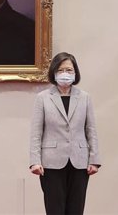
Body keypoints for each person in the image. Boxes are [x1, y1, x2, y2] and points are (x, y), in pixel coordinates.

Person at [29, 52, 101, 215]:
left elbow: (91, 130)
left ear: (75, 72)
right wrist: (34, 161)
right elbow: (36, 132)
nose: (65, 74)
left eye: (69, 70)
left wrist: (94, 159)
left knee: (76, 210)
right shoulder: (43, 98)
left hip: (80, 162)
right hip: (51, 163)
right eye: (61, 70)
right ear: (54, 72)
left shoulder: (85, 98)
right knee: (55, 210)